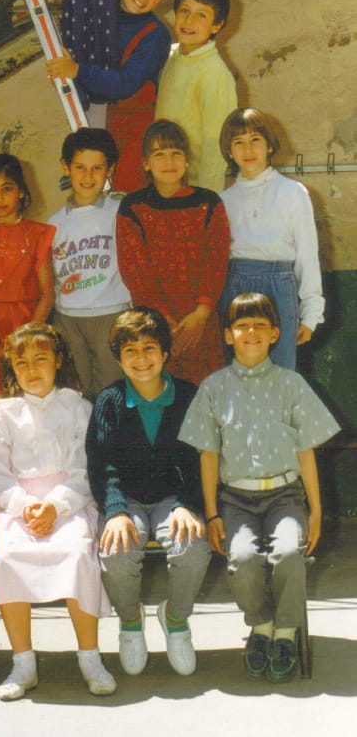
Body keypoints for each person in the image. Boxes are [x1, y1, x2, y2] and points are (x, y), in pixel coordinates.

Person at [179, 292, 339, 682]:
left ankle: (285, 633)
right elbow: (208, 456)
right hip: (236, 499)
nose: (251, 332)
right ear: (228, 335)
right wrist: (212, 513)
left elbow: (306, 452)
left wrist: (316, 511)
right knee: (243, 558)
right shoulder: (213, 388)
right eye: (242, 325)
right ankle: (262, 625)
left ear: (274, 334)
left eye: (260, 326)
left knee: (288, 553)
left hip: (285, 496)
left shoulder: (292, 384)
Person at [0, 322, 115, 701]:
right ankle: (23, 662)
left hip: (71, 503)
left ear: (58, 361)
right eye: (22, 363)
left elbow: (87, 468)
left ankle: (90, 657)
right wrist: (26, 508)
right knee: (8, 557)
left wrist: (56, 505)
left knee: (78, 554)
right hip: (17, 507)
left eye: (41, 359)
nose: (32, 370)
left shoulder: (79, 407)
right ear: (11, 367)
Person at [86, 307, 210, 677]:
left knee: (192, 546)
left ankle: (175, 618)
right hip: (127, 500)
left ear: (166, 353)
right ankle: (130, 621)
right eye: (130, 351)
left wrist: (188, 504)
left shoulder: (188, 396)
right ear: (119, 359)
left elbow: (200, 456)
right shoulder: (109, 400)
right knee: (117, 550)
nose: (141, 359)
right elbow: (102, 463)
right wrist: (116, 510)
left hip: (174, 499)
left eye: (149, 348)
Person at [47, 0, 178, 190]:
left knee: (125, 191)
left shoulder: (156, 35)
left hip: (134, 129)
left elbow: (125, 84)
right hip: (99, 118)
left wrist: (78, 71)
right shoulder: (102, 13)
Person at [116, 119, 230, 384]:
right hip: (155, 324)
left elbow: (216, 261)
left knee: (207, 392)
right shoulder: (133, 207)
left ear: (187, 160)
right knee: (163, 393)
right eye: (159, 154)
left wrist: (201, 313)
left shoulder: (209, 202)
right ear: (146, 163)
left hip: (203, 321)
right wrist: (163, 319)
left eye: (176, 153)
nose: (169, 162)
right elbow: (134, 270)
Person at [219, 107, 324, 369]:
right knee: (239, 375)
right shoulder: (223, 201)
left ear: (269, 145)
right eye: (238, 142)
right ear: (229, 152)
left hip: (279, 289)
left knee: (279, 374)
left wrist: (311, 314)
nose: (248, 149)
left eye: (255, 139)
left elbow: (307, 256)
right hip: (235, 289)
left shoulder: (293, 193)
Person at [48, 127, 130, 399]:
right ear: (65, 167)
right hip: (69, 318)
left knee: (112, 392)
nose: (88, 176)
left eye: (97, 168)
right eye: (80, 167)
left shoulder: (121, 211)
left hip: (111, 314)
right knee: (75, 393)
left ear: (110, 169)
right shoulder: (54, 223)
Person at [0, 153, 55, 394]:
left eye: (6, 189)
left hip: (28, 325)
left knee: (29, 391)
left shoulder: (38, 234)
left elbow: (47, 294)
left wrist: (27, 339)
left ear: (21, 192)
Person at [155, 0, 237, 192]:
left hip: (193, 187)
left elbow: (216, 145)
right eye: (184, 11)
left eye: (201, 15)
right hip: (163, 180)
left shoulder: (214, 72)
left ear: (217, 25)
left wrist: (206, 198)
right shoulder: (169, 56)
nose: (189, 21)